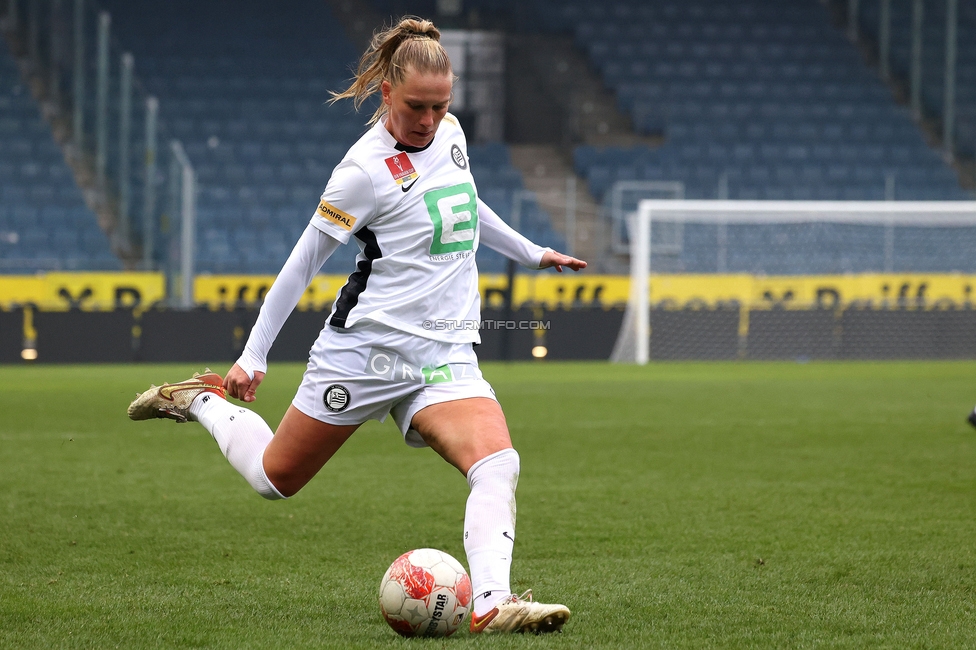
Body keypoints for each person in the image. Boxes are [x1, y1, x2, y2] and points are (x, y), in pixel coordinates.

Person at [128, 16, 585, 635]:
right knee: (274, 479)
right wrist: (253, 357)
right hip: (366, 353)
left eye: (440, 105)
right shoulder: (362, 172)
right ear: (386, 95)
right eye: (416, 106)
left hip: (444, 352)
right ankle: (202, 402)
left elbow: (462, 199)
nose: (428, 119)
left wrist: (532, 253)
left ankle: (491, 604)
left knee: (498, 463)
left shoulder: (450, 134)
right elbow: (302, 264)